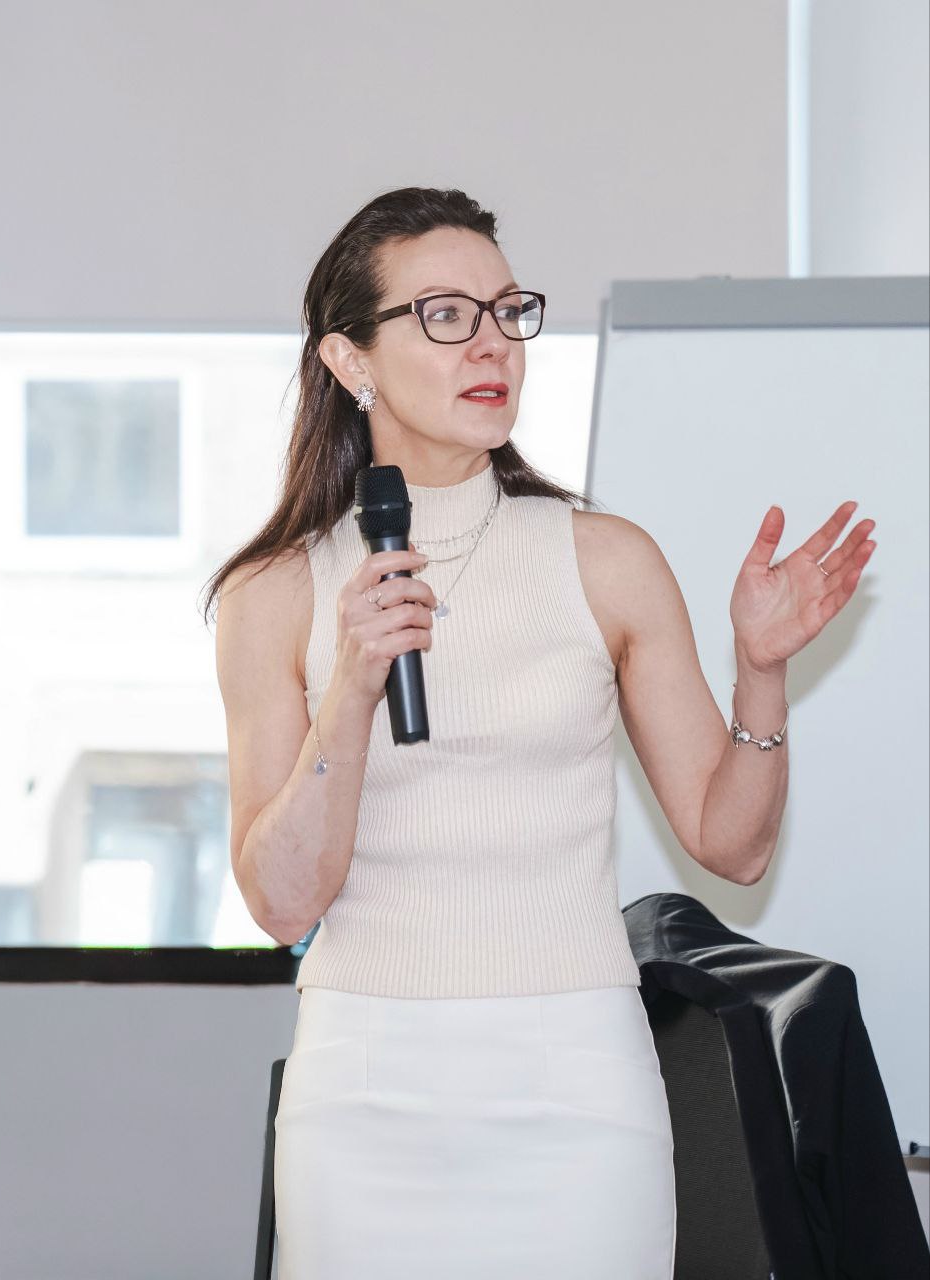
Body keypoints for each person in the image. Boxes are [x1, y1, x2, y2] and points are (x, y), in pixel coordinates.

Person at [204, 186, 876, 1279]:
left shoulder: (605, 558)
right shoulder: (273, 593)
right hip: (364, 1088)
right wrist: (351, 690)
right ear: (349, 359)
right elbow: (281, 902)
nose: (493, 344)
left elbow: (734, 844)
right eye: (444, 315)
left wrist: (760, 671)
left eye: (507, 311)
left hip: (576, 1084)